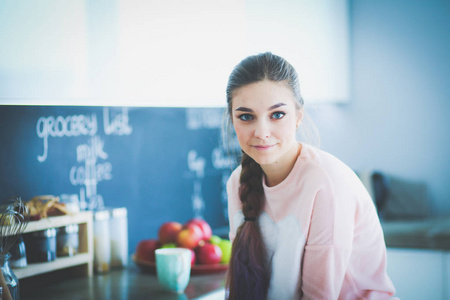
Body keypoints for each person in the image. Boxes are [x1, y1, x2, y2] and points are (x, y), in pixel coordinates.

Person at [225, 52, 397, 300]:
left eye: (277, 115)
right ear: (233, 119)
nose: (262, 132)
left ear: (298, 117)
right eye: (246, 116)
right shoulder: (237, 182)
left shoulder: (326, 184)